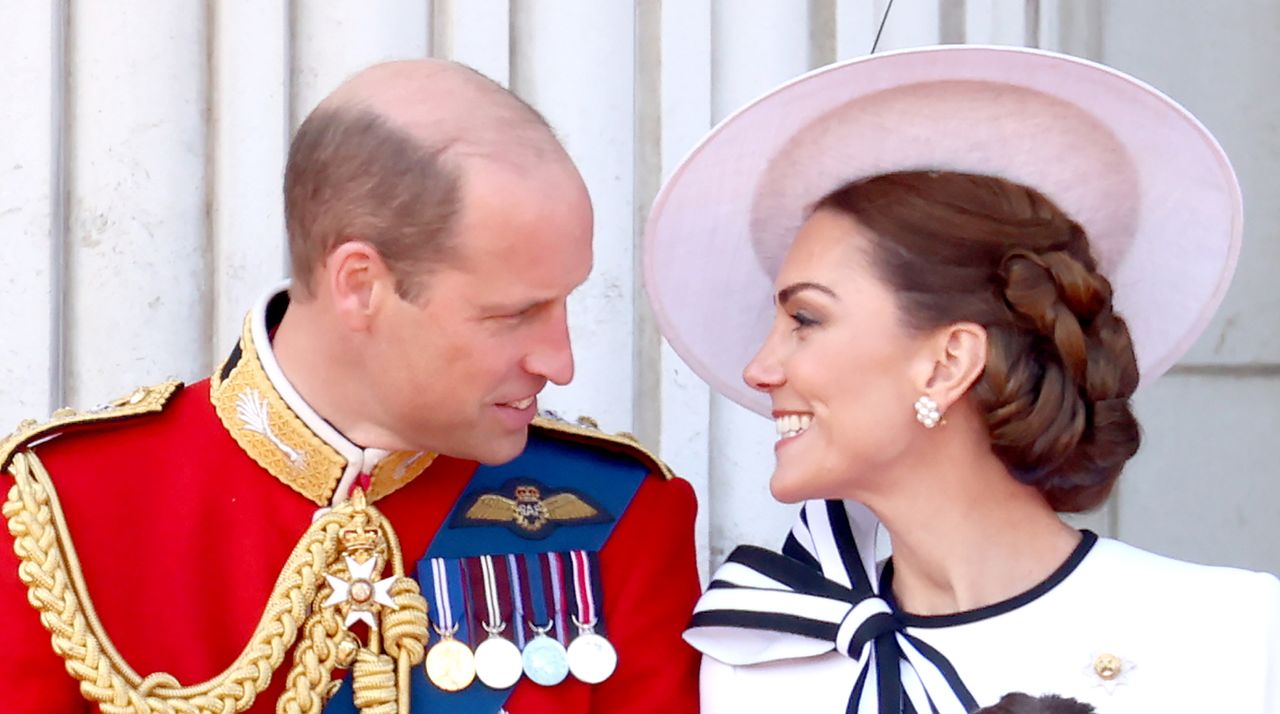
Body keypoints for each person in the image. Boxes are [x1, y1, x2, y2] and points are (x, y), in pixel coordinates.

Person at [0, 59, 701, 714]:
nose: (561, 361)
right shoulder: (57, 513)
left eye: (566, 301)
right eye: (514, 314)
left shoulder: (619, 515)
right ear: (360, 285)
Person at [643, 45, 1280, 711]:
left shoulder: (1225, 632)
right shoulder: (758, 671)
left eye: (806, 318)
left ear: (948, 363)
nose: (759, 369)